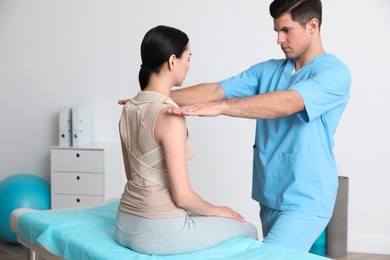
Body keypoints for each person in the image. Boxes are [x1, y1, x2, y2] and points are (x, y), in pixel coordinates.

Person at [162, 0, 352, 252]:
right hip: (269, 194)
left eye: (286, 30)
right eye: (276, 31)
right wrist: (153, 95)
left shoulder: (334, 73)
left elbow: (288, 102)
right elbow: (216, 90)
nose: (279, 39)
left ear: (312, 26)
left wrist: (223, 108)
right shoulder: (267, 71)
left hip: (307, 198)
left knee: (265, 256)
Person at [116, 25, 257, 256]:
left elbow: (133, 177)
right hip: (158, 231)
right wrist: (219, 210)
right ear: (172, 61)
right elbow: (183, 196)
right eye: (188, 58)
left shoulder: (128, 108)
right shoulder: (170, 116)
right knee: (248, 230)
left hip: (124, 224)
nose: (189, 65)